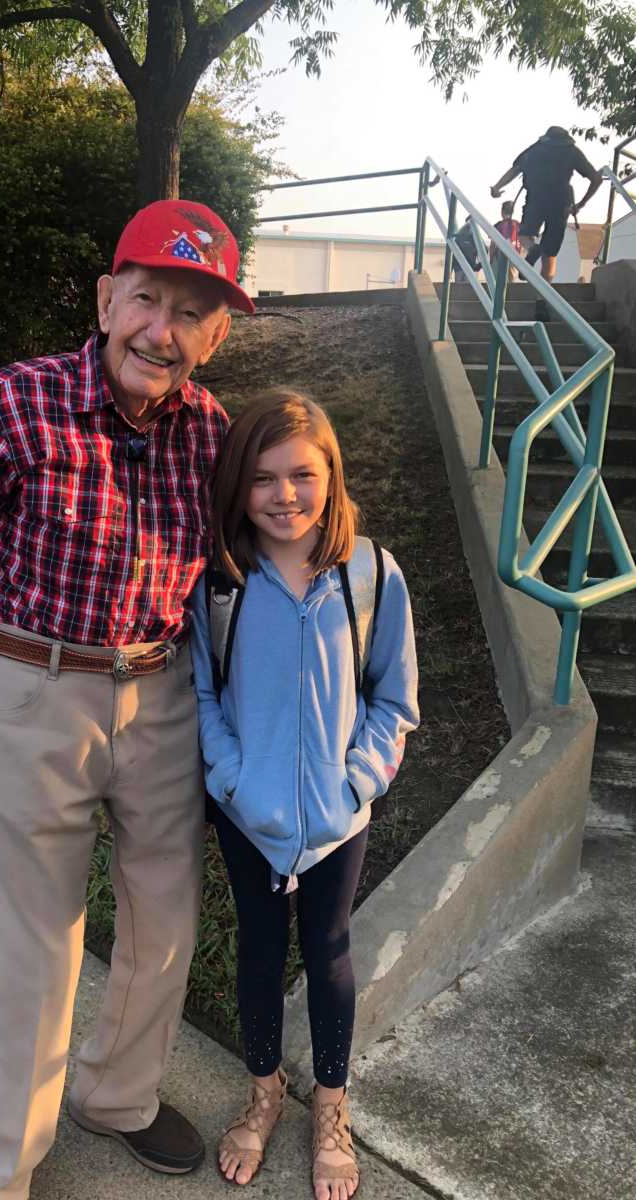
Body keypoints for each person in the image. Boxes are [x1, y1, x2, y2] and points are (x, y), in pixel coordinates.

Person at [0, 198, 254, 1200]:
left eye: (191, 315)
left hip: (162, 694)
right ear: (105, 299)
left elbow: (263, 555)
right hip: (35, 693)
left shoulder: (210, 429)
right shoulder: (19, 401)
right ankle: (1, 1160)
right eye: (148, 300)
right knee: (41, 948)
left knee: (166, 919)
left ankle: (118, 1097)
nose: (162, 332)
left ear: (214, 339)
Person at [190, 390, 419, 1200]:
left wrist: (352, 785)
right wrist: (229, 779)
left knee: (327, 953)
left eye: (302, 475)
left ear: (332, 476)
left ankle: (330, 1106)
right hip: (244, 814)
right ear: (235, 489)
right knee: (258, 947)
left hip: (334, 821)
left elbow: (395, 701)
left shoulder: (373, 576)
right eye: (262, 480)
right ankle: (265, 1093)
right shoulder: (220, 583)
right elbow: (205, 698)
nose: (284, 495)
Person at [490, 125, 604, 285]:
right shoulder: (572, 151)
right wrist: (581, 204)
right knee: (550, 254)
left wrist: (497, 187)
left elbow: (515, 170)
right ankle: (542, 299)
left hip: (536, 198)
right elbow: (597, 179)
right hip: (561, 203)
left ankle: (532, 248)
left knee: (524, 235)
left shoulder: (535, 150)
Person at [489, 200, 521, 280]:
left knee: (497, 280)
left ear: (502, 211)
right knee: (512, 281)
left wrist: (491, 259)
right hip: (515, 256)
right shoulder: (518, 225)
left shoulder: (498, 225)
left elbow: (493, 244)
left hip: (500, 256)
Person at [452, 215, 480, 282]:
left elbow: (484, 251)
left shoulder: (474, 237)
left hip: (464, 268)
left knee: (462, 288)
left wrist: (478, 266)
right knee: (464, 288)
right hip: (463, 268)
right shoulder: (475, 237)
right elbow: (454, 254)